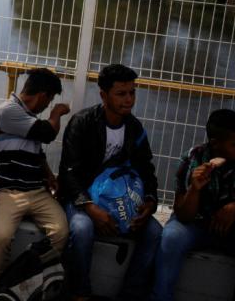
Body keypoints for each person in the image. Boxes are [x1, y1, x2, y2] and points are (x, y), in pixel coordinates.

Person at [57, 64, 162, 301]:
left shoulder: (135, 129)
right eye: (121, 94)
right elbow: (68, 173)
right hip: (81, 199)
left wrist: (150, 202)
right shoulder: (82, 123)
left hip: (117, 199)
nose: (129, 100)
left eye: (132, 93)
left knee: (155, 232)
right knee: (82, 229)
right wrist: (91, 207)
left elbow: (146, 169)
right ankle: (79, 293)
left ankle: (130, 294)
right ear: (103, 95)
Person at [152, 109, 235, 301]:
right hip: (198, 224)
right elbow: (183, 215)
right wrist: (195, 189)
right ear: (215, 144)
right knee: (171, 238)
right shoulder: (193, 159)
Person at [0, 68, 70, 282]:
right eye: (50, 99)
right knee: (2, 236)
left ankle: (24, 278)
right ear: (43, 95)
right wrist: (57, 113)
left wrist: (49, 175)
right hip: (9, 192)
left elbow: (36, 151)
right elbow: (47, 133)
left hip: (37, 191)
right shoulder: (8, 111)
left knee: (61, 232)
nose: (48, 105)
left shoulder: (28, 118)